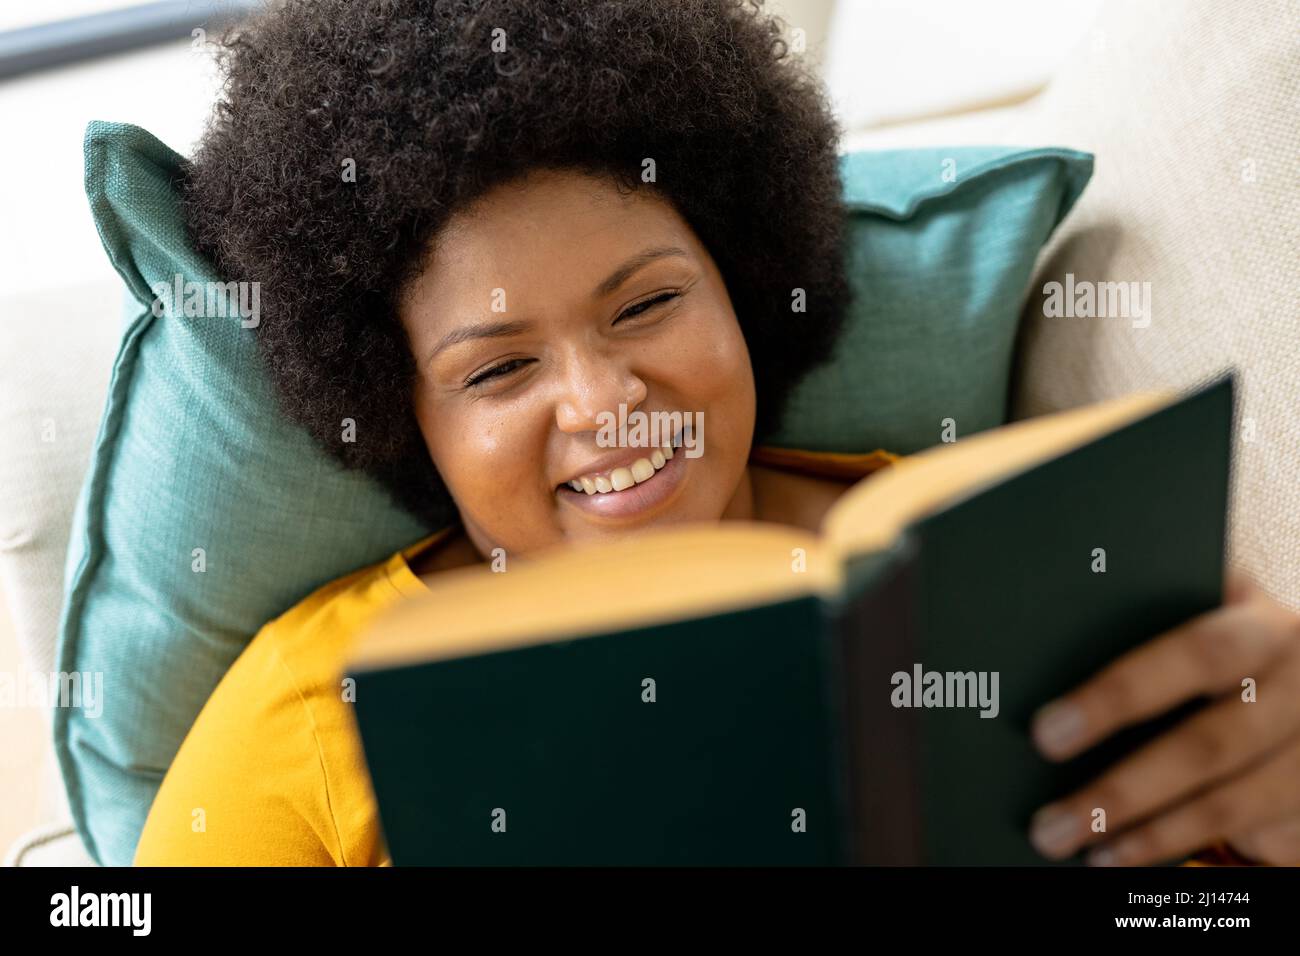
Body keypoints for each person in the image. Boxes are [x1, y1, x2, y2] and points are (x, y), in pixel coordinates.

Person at [133, 0, 1300, 866]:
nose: (602, 402)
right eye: (496, 367)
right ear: (401, 412)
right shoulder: (313, 704)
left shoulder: (988, 562)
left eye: (646, 304)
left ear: (744, 282)